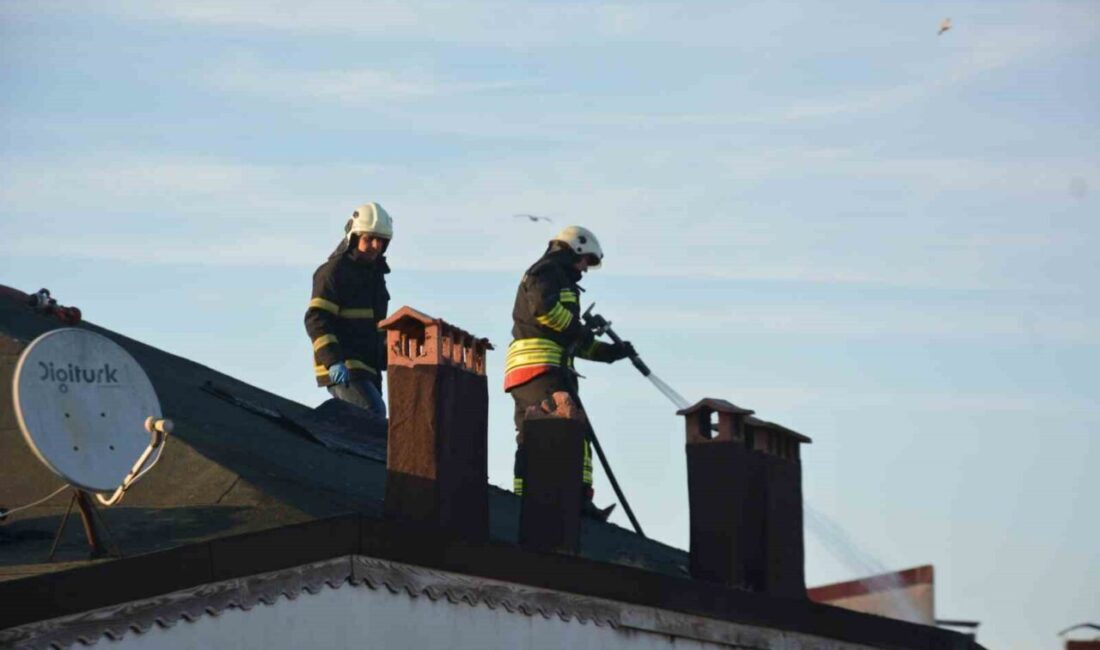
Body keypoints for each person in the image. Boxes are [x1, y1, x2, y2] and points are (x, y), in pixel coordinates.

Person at [503, 225, 635, 519]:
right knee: (574, 430)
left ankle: (522, 500)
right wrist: (581, 330)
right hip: (543, 369)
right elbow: (545, 311)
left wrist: (613, 353)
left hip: (527, 371)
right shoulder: (548, 271)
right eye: (586, 260)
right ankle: (580, 501)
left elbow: (573, 342)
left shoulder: (551, 274)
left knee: (530, 436)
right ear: (575, 248)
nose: (585, 269)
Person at [305, 202, 393, 419]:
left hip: (368, 369)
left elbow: (374, 329)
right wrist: (333, 360)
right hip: (344, 366)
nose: (375, 245)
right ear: (354, 238)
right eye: (368, 238)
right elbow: (317, 318)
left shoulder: (375, 278)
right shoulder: (333, 272)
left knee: (371, 423)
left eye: (380, 240)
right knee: (371, 415)